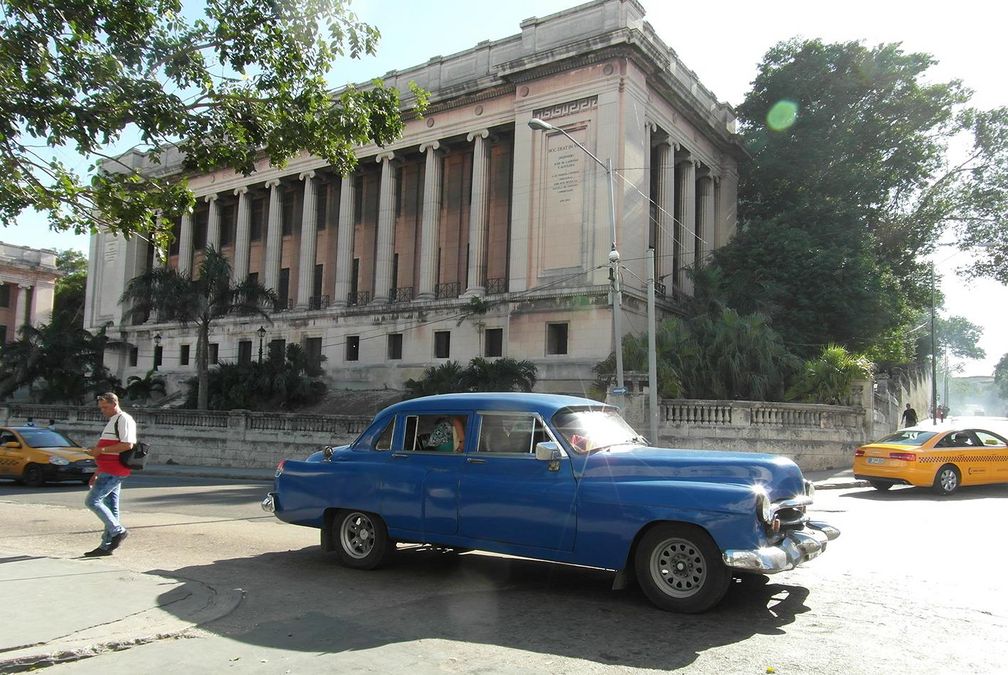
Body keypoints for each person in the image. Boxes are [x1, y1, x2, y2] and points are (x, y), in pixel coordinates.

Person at [83, 392, 136, 557]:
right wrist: (97, 470)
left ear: (115, 404)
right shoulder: (113, 421)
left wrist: (101, 450)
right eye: (101, 408)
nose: (103, 411)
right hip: (107, 469)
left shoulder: (123, 419)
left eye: (105, 407)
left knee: (92, 501)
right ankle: (107, 545)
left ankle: (118, 531)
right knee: (111, 507)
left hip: (114, 470)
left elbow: (128, 444)